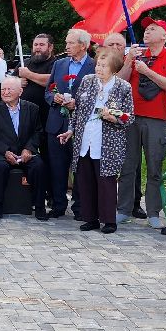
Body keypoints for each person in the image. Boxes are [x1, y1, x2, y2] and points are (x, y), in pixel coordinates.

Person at [61, 49, 134, 234]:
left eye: (104, 66)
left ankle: (109, 220)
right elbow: (77, 110)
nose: (99, 69)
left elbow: (129, 117)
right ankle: (90, 218)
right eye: (98, 65)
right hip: (85, 140)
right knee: (85, 181)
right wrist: (71, 130)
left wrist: (114, 118)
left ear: (114, 69)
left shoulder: (123, 87)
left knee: (106, 182)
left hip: (108, 143)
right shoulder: (88, 81)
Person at [119, 19, 166, 228]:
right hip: (131, 116)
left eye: (153, 29)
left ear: (164, 36)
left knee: (155, 166)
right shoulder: (136, 55)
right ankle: (124, 209)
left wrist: (147, 71)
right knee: (128, 165)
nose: (147, 31)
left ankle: (153, 211)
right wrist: (128, 61)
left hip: (156, 118)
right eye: (146, 29)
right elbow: (121, 82)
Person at [45, 29, 94, 219]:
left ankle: (80, 207)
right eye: (66, 42)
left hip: (83, 125)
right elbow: (48, 91)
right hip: (57, 122)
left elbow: (98, 96)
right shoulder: (59, 64)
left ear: (83, 45)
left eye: (71, 43)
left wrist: (78, 104)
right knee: (57, 166)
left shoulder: (94, 65)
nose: (66, 46)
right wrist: (54, 98)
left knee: (81, 167)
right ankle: (58, 205)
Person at [0, 74, 44, 219]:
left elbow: (38, 132)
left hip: (25, 152)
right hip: (2, 153)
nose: (6, 92)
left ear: (20, 91)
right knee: (0, 167)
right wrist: (5, 151)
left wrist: (29, 149)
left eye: (10, 89)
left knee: (38, 165)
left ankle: (39, 205)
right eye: (3, 89)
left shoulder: (32, 108)